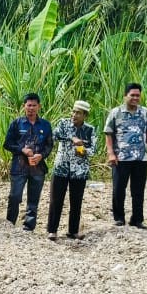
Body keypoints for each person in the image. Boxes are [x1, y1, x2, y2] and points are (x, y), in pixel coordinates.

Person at [104, 83, 147, 229]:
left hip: (140, 157)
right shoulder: (116, 112)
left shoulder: (144, 112)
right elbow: (108, 133)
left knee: (138, 190)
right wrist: (111, 153)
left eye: (137, 95)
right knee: (119, 189)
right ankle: (119, 218)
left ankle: (137, 219)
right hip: (121, 157)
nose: (135, 98)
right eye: (132, 95)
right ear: (125, 96)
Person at [3, 93, 54, 231]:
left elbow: (49, 145)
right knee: (14, 197)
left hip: (38, 168)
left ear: (39, 106)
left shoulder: (45, 125)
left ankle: (29, 227)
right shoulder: (16, 123)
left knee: (33, 199)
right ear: (24, 106)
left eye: (34, 105)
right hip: (19, 167)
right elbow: (7, 144)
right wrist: (22, 150)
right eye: (29, 105)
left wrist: (41, 155)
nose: (31, 108)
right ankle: (9, 225)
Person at [46, 100, 95, 241]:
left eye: (78, 113)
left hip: (79, 171)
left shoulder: (90, 130)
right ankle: (52, 230)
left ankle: (73, 231)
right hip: (61, 167)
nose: (74, 115)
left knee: (76, 202)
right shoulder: (63, 123)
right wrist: (72, 138)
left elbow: (93, 150)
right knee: (56, 200)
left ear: (85, 115)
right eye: (73, 111)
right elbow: (54, 136)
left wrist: (82, 149)